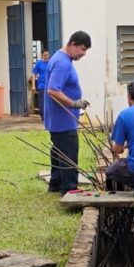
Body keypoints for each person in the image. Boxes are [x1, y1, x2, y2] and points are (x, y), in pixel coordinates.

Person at [43, 30, 91, 194]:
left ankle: (55, 184)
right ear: (72, 44)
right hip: (63, 120)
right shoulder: (62, 63)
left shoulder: (61, 58)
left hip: (58, 119)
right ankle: (69, 189)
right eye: (82, 49)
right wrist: (74, 103)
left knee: (58, 151)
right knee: (69, 154)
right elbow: (53, 90)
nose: (83, 54)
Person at [30, 48, 50, 116]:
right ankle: (43, 116)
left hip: (50, 86)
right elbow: (34, 73)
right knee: (41, 103)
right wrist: (33, 85)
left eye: (47, 55)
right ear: (42, 55)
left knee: (49, 102)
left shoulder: (51, 63)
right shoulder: (39, 63)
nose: (46, 57)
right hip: (41, 86)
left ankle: (47, 117)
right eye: (45, 55)